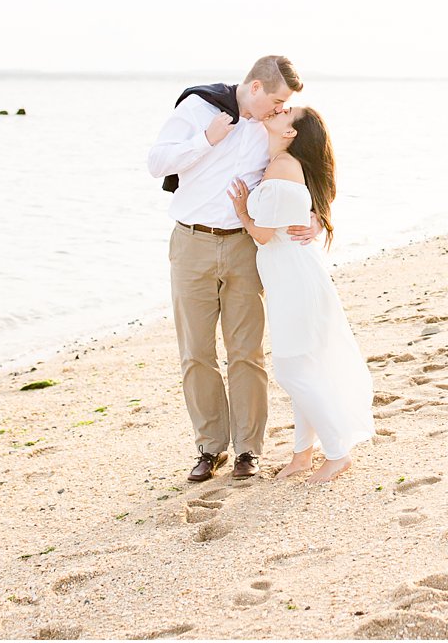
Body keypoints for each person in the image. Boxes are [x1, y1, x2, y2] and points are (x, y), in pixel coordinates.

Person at [146, 55, 318, 482]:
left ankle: (248, 451)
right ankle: (209, 447)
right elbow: (156, 163)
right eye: (276, 99)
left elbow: (309, 161)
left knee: (247, 352)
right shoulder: (199, 108)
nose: (280, 109)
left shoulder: (273, 126)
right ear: (255, 87)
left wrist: (317, 214)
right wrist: (206, 140)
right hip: (192, 242)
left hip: (245, 246)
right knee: (197, 351)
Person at [227, 105, 374, 484]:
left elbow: (262, 234)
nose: (278, 110)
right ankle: (301, 454)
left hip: (292, 278)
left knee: (291, 370)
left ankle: (337, 454)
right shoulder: (281, 163)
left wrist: (243, 211)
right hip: (289, 275)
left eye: (286, 111)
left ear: (290, 132)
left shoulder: (282, 167)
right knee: (301, 367)